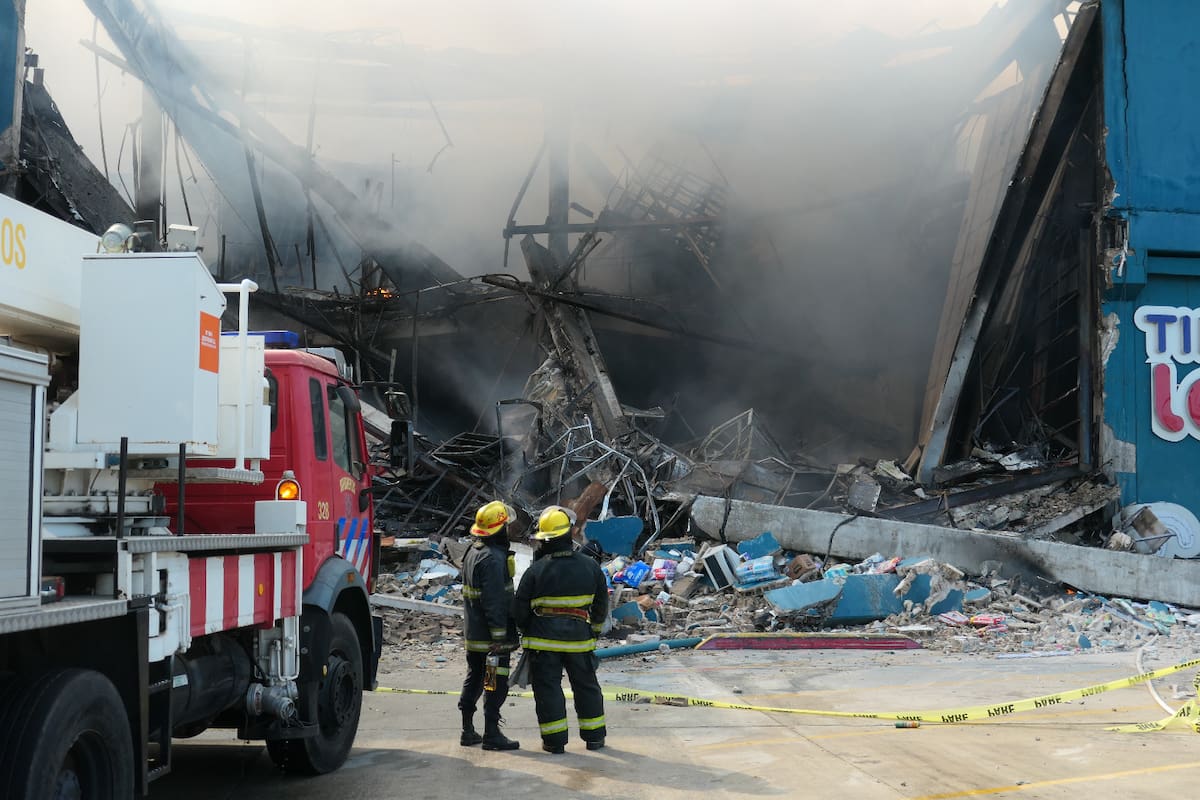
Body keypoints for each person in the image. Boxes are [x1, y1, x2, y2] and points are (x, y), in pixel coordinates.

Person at [513, 505, 610, 754]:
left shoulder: (535, 571)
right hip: (580, 640)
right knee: (587, 687)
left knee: (548, 690)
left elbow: (520, 610)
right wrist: (594, 631)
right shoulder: (591, 567)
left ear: (546, 541)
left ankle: (555, 743)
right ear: (568, 535)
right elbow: (601, 606)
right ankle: (595, 738)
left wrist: (527, 630)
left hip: (543, 642)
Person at [459, 500, 520, 751]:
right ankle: (492, 733)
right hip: (492, 642)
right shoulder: (493, 559)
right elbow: (494, 601)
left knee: (474, 678)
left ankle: (467, 729)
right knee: (494, 682)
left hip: (474, 636)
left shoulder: (472, 552)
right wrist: (499, 638)